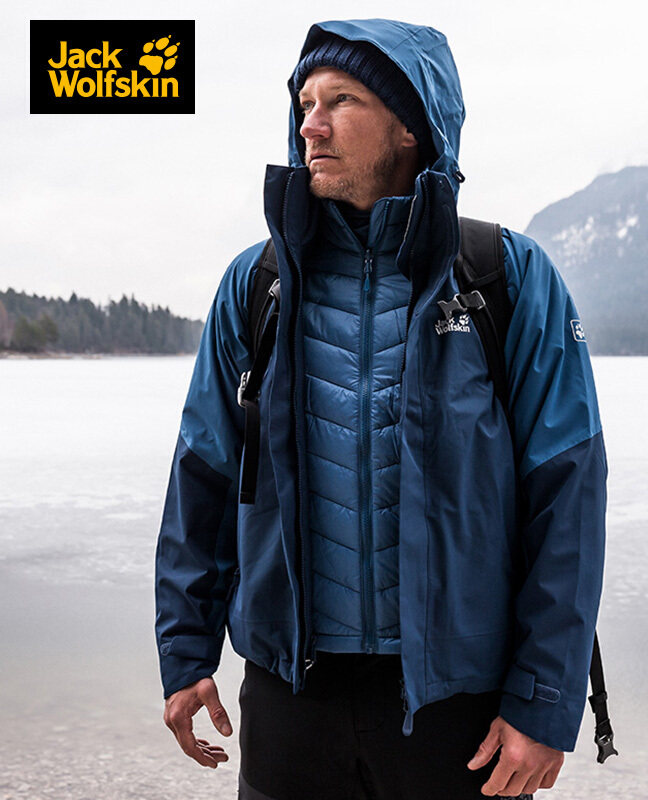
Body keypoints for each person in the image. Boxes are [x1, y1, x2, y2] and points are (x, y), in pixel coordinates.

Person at [155, 18, 608, 800]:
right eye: (305, 103)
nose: (312, 124)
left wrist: (543, 700)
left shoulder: (506, 279)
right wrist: (186, 652)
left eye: (341, 101)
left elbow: (566, 502)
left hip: (457, 706)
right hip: (291, 695)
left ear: (409, 126)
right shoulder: (258, 286)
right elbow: (204, 476)